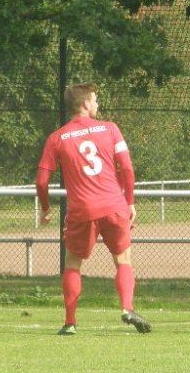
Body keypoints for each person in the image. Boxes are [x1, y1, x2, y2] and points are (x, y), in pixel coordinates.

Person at [36, 82, 151, 336]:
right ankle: (127, 307)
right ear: (86, 103)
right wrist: (130, 200)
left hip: (81, 211)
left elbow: (41, 181)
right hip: (114, 205)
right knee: (122, 259)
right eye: (95, 100)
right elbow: (128, 168)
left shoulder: (56, 138)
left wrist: (45, 207)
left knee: (73, 263)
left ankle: (70, 323)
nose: (97, 104)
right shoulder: (110, 129)